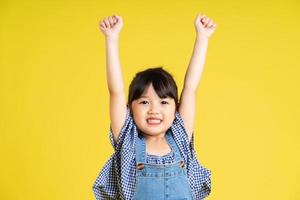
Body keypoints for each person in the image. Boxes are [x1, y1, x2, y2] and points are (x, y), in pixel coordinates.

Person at [93, 13, 217, 200]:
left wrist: (202, 38)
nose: (154, 109)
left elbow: (191, 88)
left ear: (176, 109)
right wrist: (111, 39)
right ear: (129, 108)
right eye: (144, 102)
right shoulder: (128, 141)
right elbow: (116, 91)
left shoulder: (180, 135)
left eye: (164, 102)